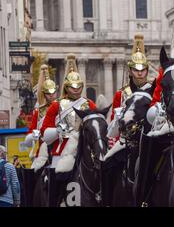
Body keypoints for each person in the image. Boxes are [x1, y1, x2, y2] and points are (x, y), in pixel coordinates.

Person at [40, 54, 96, 206]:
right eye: (73, 87)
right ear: (66, 87)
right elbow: (45, 133)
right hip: (62, 149)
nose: (76, 90)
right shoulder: (56, 106)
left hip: (84, 147)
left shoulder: (89, 104)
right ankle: (55, 200)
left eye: (79, 87)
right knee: (57, 177)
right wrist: (58, 130)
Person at [108, 34, 152, 145]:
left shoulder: (153, 90)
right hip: (125, 140)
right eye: (136, 69)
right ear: (130, 71)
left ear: (147, 70)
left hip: (148, 138)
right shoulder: (121, 94)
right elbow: (113, 125)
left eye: (143, 69)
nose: (140, 73)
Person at [24, 64, 58, 169]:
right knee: (34, 171)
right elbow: (32, 130)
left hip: (61, 145)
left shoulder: (63, 107)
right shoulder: (39, 111)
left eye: (53, 92)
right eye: (48, 93)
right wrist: (35, 135)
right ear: (44, 94)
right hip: (44, 147)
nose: (51, 95)